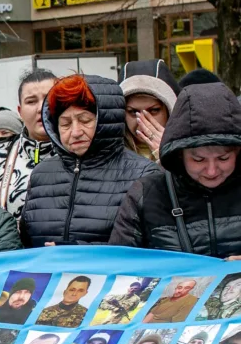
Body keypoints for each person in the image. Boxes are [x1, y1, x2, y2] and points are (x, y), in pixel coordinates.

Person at [20, 74, 159, 246]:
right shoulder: (41, 174)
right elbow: (27, 243)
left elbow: (152, 248)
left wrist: (75, 252)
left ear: (107, 121)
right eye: (65, 124)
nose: (75, 131)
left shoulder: (144, 175)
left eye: (85, 120)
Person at [112, 82, 241, 256]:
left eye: (223, 158)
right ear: (180, 154)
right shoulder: (146, 195)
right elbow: (120, 263)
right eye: (198, 159)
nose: (212, 171)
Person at [0, 69, 58, 218]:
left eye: (49, 99)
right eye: (31, 101)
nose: (40, 108)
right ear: (20, 111)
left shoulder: (78, 155)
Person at [121, 72, 177, 161]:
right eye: (133, 112)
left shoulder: (186, 150)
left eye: (154, 110)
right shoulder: (110, 152)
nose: (143, 121)